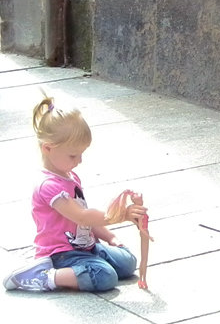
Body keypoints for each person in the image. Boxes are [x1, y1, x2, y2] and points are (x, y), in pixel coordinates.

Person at [3, 94, 147, 292]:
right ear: (48, 148)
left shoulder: (70, 176)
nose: (79, 160)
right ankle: (46, 276)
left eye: (81, 154)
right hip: (62, 254)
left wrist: (110, 237)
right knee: (105, 277)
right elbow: (81, 215)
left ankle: (87, 266)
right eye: (73, 155)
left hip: (86, 247)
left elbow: (86, 221)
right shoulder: (48, 185)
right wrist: (120, 215)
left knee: (128, 262)